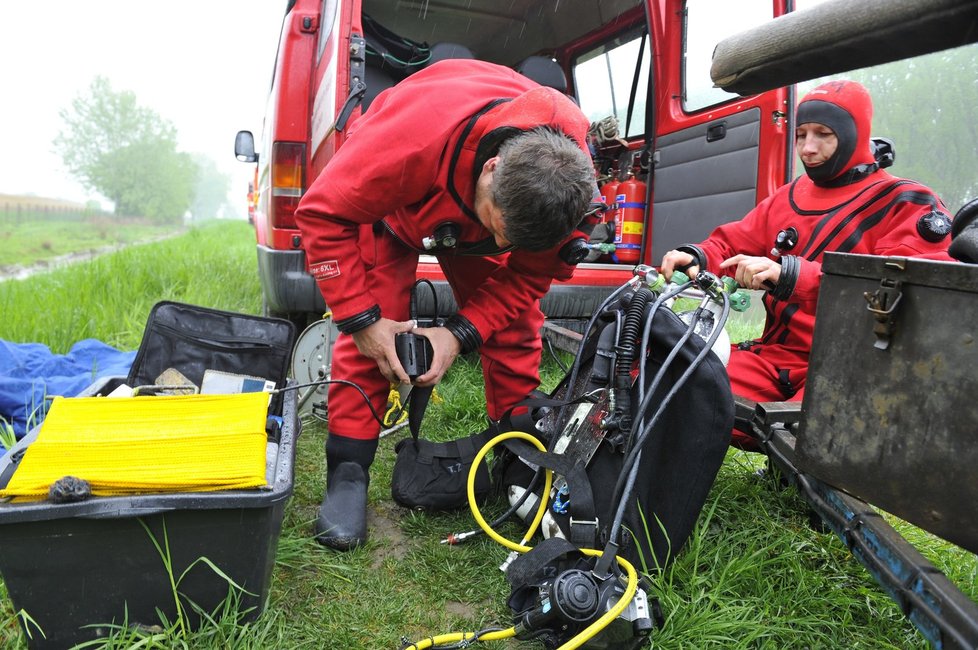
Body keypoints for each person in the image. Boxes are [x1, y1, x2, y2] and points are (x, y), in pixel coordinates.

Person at [294, 59, 597, 550]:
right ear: (494, 169)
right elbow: (322, 215)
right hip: (401, 206)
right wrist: (363, 319)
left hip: (476, 201)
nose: (501, 241)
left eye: (509, 239)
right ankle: (348, 473)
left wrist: (457, 334)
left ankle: (513, 451)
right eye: (497, 224)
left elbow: (525, 281)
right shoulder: (407, 137)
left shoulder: (570, 193)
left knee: (515, 326)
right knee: (374, 331)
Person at [660, 80, 953, 449]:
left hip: (856, 365)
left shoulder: (906, 201)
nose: (807, 148)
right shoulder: (789, 195)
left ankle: (804, 463)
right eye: (800, 135)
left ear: (855, 134)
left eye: (823, 134)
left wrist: (794, 276)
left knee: (820, 437)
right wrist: (699, 255)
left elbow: (916, 289)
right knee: (673, 384)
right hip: (776, 358)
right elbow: (731, 241)